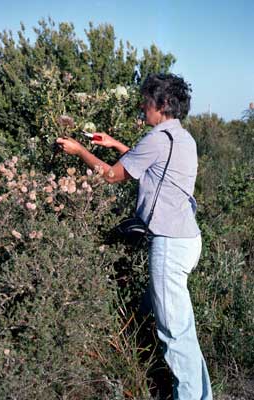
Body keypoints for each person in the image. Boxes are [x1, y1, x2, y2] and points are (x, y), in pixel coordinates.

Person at [56, 73, 213, 400]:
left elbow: (112, 175)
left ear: (164, 104)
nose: (143, 108)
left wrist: (80, 151)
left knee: (175, 335)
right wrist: (115, 144)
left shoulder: (158, 139)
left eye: (147, 102)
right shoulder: (182, 138)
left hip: (169, 245)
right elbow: (155, 168)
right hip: (188, 240)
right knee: (182, 329)